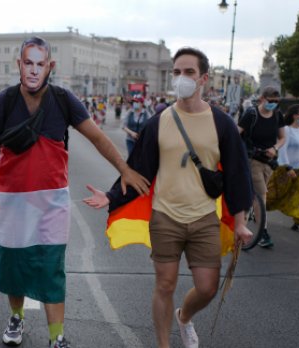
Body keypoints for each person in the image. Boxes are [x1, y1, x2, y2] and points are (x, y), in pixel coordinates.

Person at [0, 36, 149, 348]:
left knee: (51, 268)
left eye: (40, 64)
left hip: (52, 201)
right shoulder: (3, 102)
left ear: (50, 66)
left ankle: (57, 338)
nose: (33, 70)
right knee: (13, 266)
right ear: (19, 64)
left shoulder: (63, 99)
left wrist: (124, 169)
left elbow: (97, 137)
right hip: (11, 201)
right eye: (28, 62)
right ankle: (16, 317)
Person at [83, 47, 253, 348]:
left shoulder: (221, 123)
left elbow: (238, 174)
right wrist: (111, 196)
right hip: (165, 217)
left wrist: (240, 223)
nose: (181, 78)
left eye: (188, 72)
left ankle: (184, 316)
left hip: (203, 219)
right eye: (176, 72)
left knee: (208, 287)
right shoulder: (159, 120)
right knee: (164, 284)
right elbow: (138, 170)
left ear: (204, 79)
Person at [238, 86, 286, 248]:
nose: (274, 104)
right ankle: (263, 232)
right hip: (252, 160)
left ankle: (241, 221)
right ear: (262, 99)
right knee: (262, 193)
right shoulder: (251, 114)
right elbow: (236, 133)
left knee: (255, 196)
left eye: (276, 102)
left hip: (269, 161)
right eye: (271, 101)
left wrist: (275, 148)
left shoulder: (277, 115)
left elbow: (282, 138)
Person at [266, 104, 299, 232]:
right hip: (285, 168)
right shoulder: (286, 130)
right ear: (295, 115)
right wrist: (288, 167)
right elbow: (283, 151)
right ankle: (255, 208)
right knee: (274, 195)